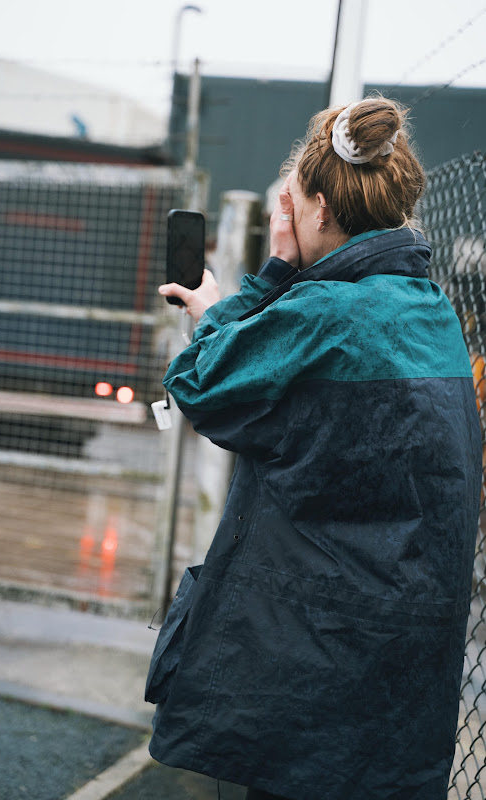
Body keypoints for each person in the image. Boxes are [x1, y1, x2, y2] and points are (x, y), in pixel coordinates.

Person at [144, 96, 482, 800]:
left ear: (319, 209)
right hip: (405, 672)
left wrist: (269, 272)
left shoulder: (324, 311)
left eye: (291, 200)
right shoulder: (429, 312)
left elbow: (201, 385)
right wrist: (231, 312)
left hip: (313, 668)